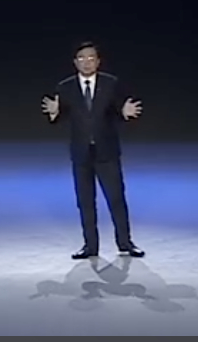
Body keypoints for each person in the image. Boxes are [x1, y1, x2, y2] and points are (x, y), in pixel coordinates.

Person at [39, 40, 145, 259]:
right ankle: (90, 246)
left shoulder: (111, 83)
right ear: (75, 62)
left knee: (116, 199)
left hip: (107, 152)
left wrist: (124, 112)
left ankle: (125, 243)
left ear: (98, 61)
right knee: (85, 203)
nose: (86, 62)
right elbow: (60, 116)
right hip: (81, 154)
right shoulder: (65, 87)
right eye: (81, 58)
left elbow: (117, 110)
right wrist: (54, 113)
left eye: (90, 58)